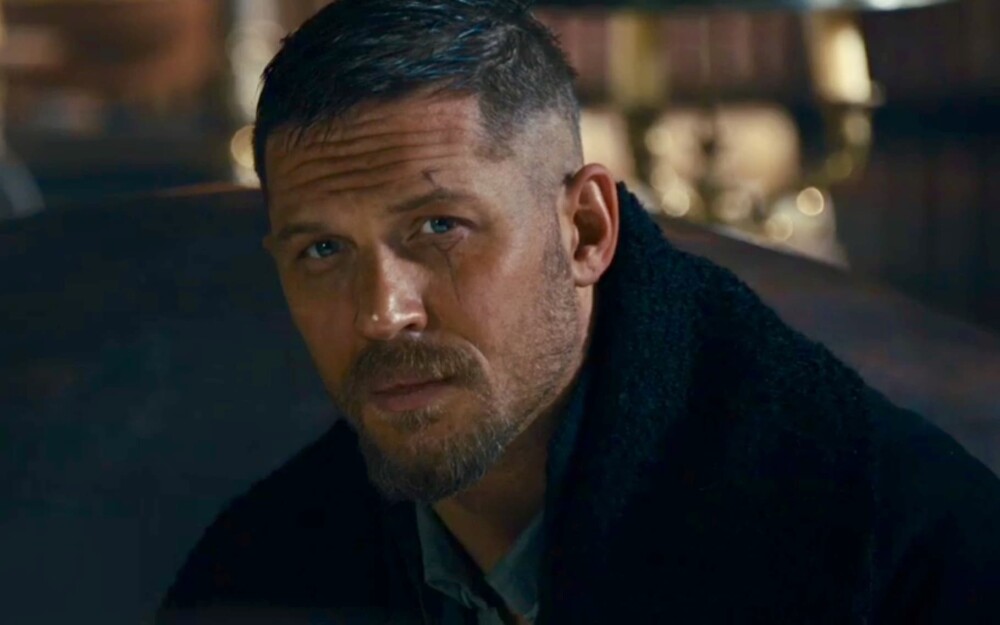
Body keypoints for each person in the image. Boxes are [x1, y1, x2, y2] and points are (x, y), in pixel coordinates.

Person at [158, 1, 1000, 623]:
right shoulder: (254, 576)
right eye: (322, 250)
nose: (383, 314)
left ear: (586, 231)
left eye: (440, 227)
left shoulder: (900, 545)